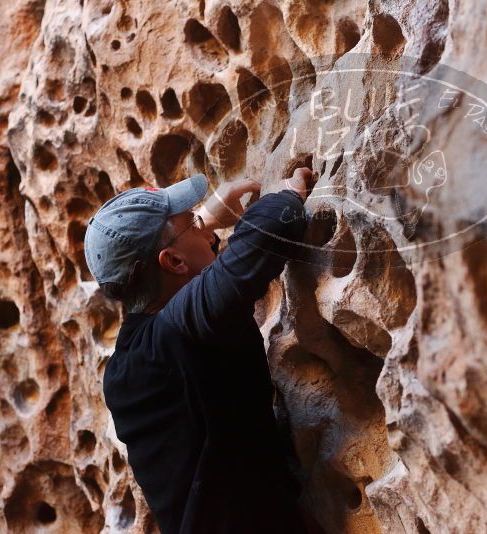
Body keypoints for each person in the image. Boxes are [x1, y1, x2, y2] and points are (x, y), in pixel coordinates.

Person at [83, 168, 316, 533]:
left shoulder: (126, 365)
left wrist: (200, 221)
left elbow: (185, 284)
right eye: (194, 223)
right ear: (173, 261)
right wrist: (288, 195)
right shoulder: (178, 333)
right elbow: (266, 235)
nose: (208, 231)